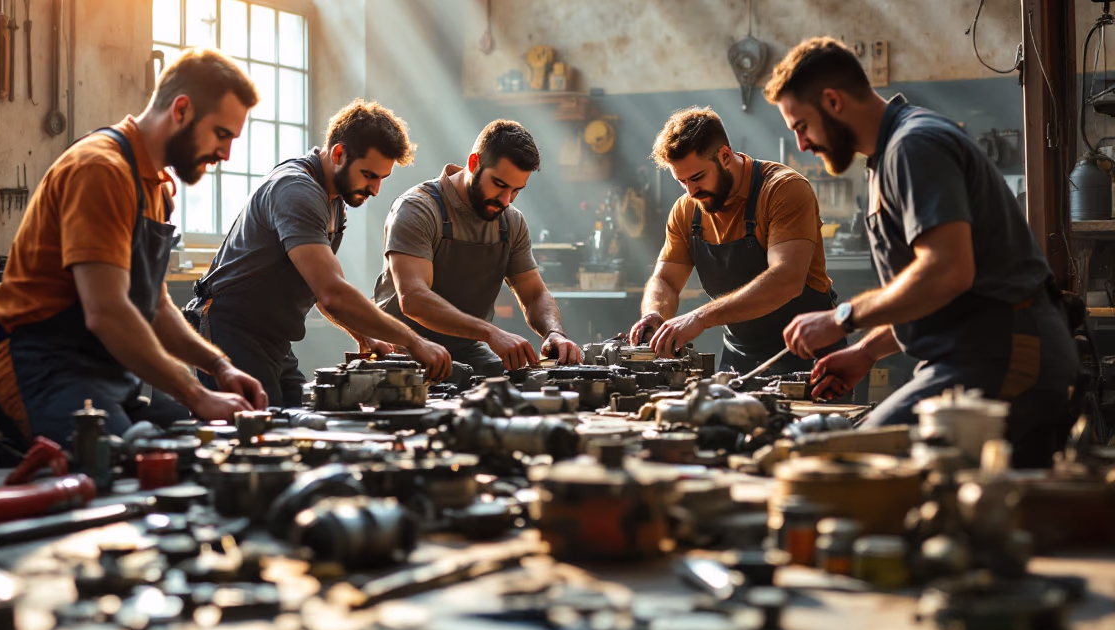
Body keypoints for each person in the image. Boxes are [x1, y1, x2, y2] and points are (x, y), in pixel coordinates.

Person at [769, 37, 1076, 467]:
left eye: (801, 126)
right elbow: (936, 296)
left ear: (833, 101)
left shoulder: (914, 145)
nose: (802, 145)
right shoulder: (889, 155)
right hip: (979, 349)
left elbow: (947, 272)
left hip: (1004, 351)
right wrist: (866, 352)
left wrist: (841, 319)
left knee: (867, 465)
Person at [0, 49, 270, 448]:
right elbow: (107, 314)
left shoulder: (156, 189)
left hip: (109, 369)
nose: (226, 154)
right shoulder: (101, 170)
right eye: (222, 134)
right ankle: (24, 471)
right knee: (128, 464)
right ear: (181, 110)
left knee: (200, 446)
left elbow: (155, 307)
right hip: (39, 365)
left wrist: (218, 367)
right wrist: (196, 394)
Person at [184, 101, 451, 405]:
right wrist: (413, 341)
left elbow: (319, 284)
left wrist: (365, 335)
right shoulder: (296, 190)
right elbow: (332, 293)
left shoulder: (334, 203)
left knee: (302, 423)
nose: (375, 189)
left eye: (380, 178)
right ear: (338, 154)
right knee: (256, 437)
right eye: (368, 175)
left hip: (274, 341)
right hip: (229, 329)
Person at [629, 107, 844, 373]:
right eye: (681, 181)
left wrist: (700, 317)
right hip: (739, 357)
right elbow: (666, 280)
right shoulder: (686, 209)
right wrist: (656, 315)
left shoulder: (782, 189)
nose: (691, 192)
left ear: (725, 156)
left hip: (810, 353)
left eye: (697, 178)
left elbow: (787, 279)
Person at [373, 119, 582, 376]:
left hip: (468, 348)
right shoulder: (418, 209)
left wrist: (554, 333)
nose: (506, 200)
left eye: (516, 190)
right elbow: (414, 299)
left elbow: (534, 294)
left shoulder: (511, 222)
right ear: (474, 163)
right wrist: (490, 332)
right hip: (402, 351)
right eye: (500, 185)